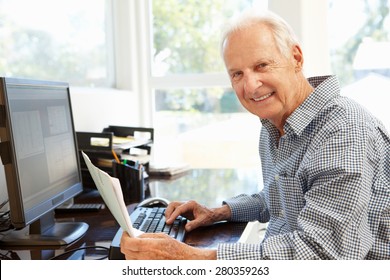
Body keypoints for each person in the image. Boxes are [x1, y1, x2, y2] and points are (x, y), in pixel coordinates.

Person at [120, 10, 390, 260]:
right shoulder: (275, 123)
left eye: (261, 65)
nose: (250, 86)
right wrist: (217, 212)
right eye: (237, 74)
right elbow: (281, 199)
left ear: (296, 58)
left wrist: (192, 258)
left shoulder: (343, 131)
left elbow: (320, 255)